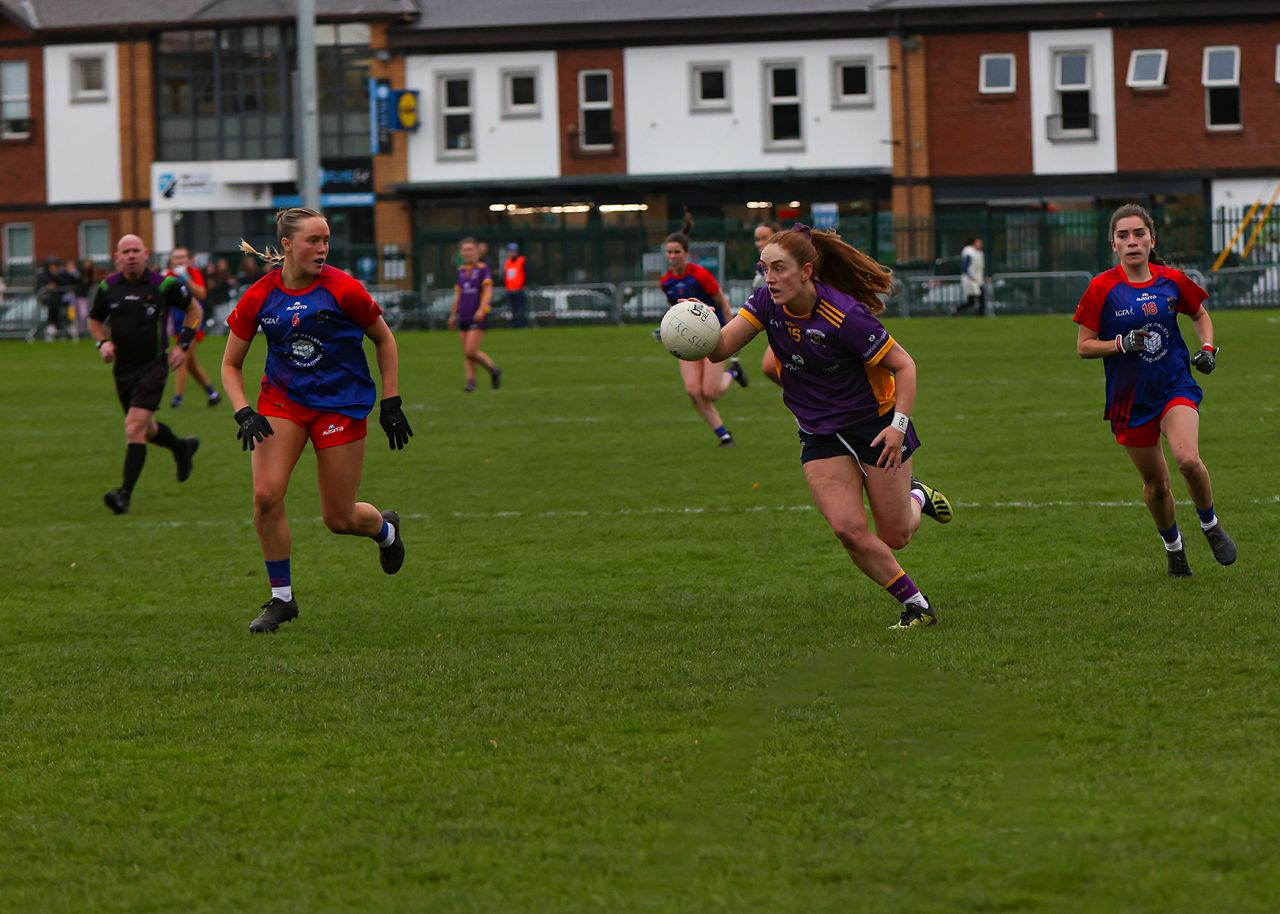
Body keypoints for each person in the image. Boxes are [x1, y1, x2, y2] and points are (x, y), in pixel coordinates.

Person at [699, 223, 953, 628]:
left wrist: (899, 427)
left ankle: (917, 496)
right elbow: (720, 350)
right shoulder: (766, 302)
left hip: (877, 426)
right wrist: (695, 328)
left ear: (806, 271)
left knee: (896, 535)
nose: (769, 278)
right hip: (819, 433)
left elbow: (904, 365)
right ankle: (917, 606)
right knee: (848, 530)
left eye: (779, 268)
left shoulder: (845, 315)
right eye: (764, 268)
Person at [222, 207, 414, 635]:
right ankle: (282, 599)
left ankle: (384, 530)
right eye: (314, 240)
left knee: (339, 518)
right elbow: (231, 364)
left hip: (340, 404)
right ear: (287, 245)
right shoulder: (260, 295)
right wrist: (243, 409)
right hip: (283, 402)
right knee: (266, 497)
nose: (323, 248)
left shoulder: (343, 289)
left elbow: (384, 338)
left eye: (326, 240)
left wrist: (391, 400)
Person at [1073, 203, 1236, 578]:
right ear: (1113, 244)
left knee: (1188, 459)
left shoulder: (1171, 281)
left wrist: (1208, 349)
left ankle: (1210, 525)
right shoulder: (1102, 287)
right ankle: (1174, 549)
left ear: (1151, 239)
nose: (1132, 242)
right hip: (1130, 401)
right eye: (1123, 236)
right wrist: (1120, 343)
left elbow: (1199, 314)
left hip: (1174, 386)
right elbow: (1083, 345)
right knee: (1157, 486)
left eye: (1139, 234)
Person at [87, 234, 202, 515]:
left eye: (135, 250)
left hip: (154, 364)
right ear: (117, 257)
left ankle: (124, 495)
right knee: (145, 429)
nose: (131, 255)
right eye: (125, 251)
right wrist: (102, 343)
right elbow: (93, 320)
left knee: (133, 427)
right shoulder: (108, 287)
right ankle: (181, 447)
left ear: (146, 254)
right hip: (123, 368)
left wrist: (183, 346)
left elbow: (194, 310)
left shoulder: (164, 284)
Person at [660, 229, 747, 447]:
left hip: (712, 335)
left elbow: (723, 303)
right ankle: (723, 435)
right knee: (693, 391)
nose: (672, 256)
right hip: (684, 338)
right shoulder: (666, 281)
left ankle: (733, 373)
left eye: (676, 252)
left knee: (711, 392)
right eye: (669, 252)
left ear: (686, 254)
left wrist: (731, 332)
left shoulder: (700, 275)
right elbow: (674, 311)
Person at [165, 247, 222, 408]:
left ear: (189, 259)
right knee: (191, 365)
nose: (180, 260)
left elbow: (202, 294)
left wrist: (186, 278)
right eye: (177, 258)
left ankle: (177, 399)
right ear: (172, 260)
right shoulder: (168, 276)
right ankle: (212, 393)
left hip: (193, 324)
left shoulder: (193, 273)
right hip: (177, 325)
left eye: (183, 257)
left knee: (181, 358)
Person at [447, 236, 502, 392]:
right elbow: (458, 295)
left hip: (477, 315)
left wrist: (482, 309)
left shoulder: (483, 269)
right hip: (463, 314)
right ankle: (470, 382)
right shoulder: (461, 271)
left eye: (470, 249)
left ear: (477, 251)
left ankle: (493, 370)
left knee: (471, 350)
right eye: (464, 250)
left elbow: (487, 292)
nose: (467, 252)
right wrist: (452, 314)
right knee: (467, 353)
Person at [752, 221, 784, 386]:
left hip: (800, 320)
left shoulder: (791, 261)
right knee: (770, 367)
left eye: (764, 238)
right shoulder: (760, 266)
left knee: (769, 366)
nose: (760, 243)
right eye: (757, 239)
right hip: (780, 322)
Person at [954, 237, 985, 316]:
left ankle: (980, 315)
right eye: (978, 243)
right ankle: (956, 311)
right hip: (970, 279)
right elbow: (964, 266)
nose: (980, 245)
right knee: (972, 301)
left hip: (977, 279)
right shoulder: (969, 252)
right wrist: (970, 276)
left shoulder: (980, 253)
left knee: (980, 298)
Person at [503, 242, 529, 328]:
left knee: (520, 308)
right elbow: (505, 275)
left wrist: (525, 284)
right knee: (513, 309)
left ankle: (521, 324)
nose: (511, 253)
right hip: (510, 290)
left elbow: (527, 273)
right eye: (510, 251)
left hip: (519, 289)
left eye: (513, 251)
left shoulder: (522, 260)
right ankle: (514, 324)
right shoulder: (507, 262)